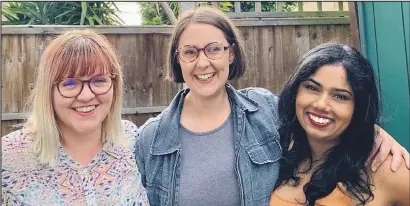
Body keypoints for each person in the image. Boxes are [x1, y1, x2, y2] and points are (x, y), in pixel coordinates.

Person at [135, 7, 409, 206]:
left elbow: (317, 116)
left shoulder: (263, 109)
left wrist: (373, 132)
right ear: (178, 59)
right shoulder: (151, 138)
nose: (203, 62)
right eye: (190, 51)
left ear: (231, 53)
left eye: (214, 49)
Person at [1, 30, 149, 206]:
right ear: (48, 91)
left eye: (99, 80)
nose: (86, 95)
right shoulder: (9, 156)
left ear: (115, 87)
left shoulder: (133, 140)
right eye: (69, 83)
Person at [271, 43, 409, 205]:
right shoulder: (275, 158)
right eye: (312, 88)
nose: (321, 104)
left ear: (359, 107)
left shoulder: (388, 170)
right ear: (295, 92)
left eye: (340, 96)